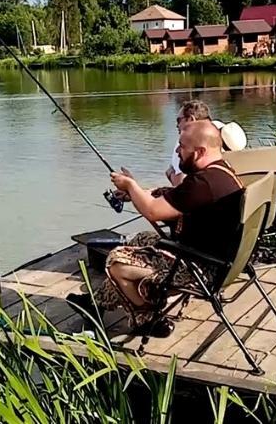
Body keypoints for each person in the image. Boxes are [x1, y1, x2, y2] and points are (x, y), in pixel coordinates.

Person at [67, 120, 244, 336]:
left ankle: (149, 319)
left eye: (182, 146)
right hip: (213, 259)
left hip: (198, 268)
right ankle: (94, 305)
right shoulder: (220, 172)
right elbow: (175, 198)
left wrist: (131, 186)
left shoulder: (204, 183)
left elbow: (153, 212)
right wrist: (138, 193)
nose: (178, 151)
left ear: (199, 151)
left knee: (116, 261)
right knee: (140, 239)